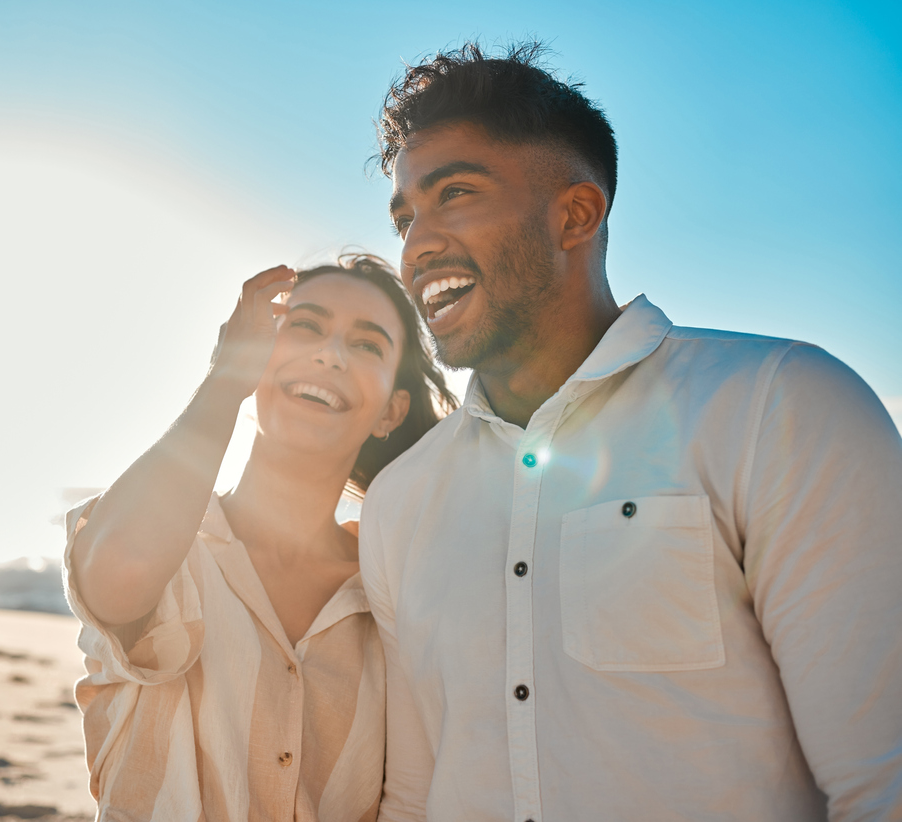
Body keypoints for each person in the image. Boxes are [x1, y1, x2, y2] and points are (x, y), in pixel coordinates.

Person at [360, 41, 902, 821]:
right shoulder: (398, 501)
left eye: (456, 195)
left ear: (575, 214)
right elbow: (414, 793)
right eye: (405, 216)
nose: (415, 246)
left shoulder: (779, 407)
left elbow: (882, 782)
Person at [63, 255, 457, 821]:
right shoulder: (172, 544)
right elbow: (118, 573)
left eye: (367, 345)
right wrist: (225, 379)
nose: (330, 354)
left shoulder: (393, 589)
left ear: (391, 411)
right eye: (306, 326)